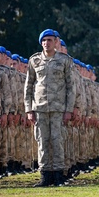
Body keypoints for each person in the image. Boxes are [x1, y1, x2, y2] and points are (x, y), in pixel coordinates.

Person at [24, 29, 75, 187]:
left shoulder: (64, 60)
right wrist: (28, 109)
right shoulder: (34, 60)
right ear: (41, 43)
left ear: (56, 42)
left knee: (57, 141)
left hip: (58, 108)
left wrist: (69, 109)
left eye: (50, 40)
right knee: (42, 142)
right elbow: (28, 86)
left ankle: (59, 175)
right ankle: (45, 175)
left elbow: (71, 87)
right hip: (39, 108)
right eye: (44, 40)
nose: (47, 43)